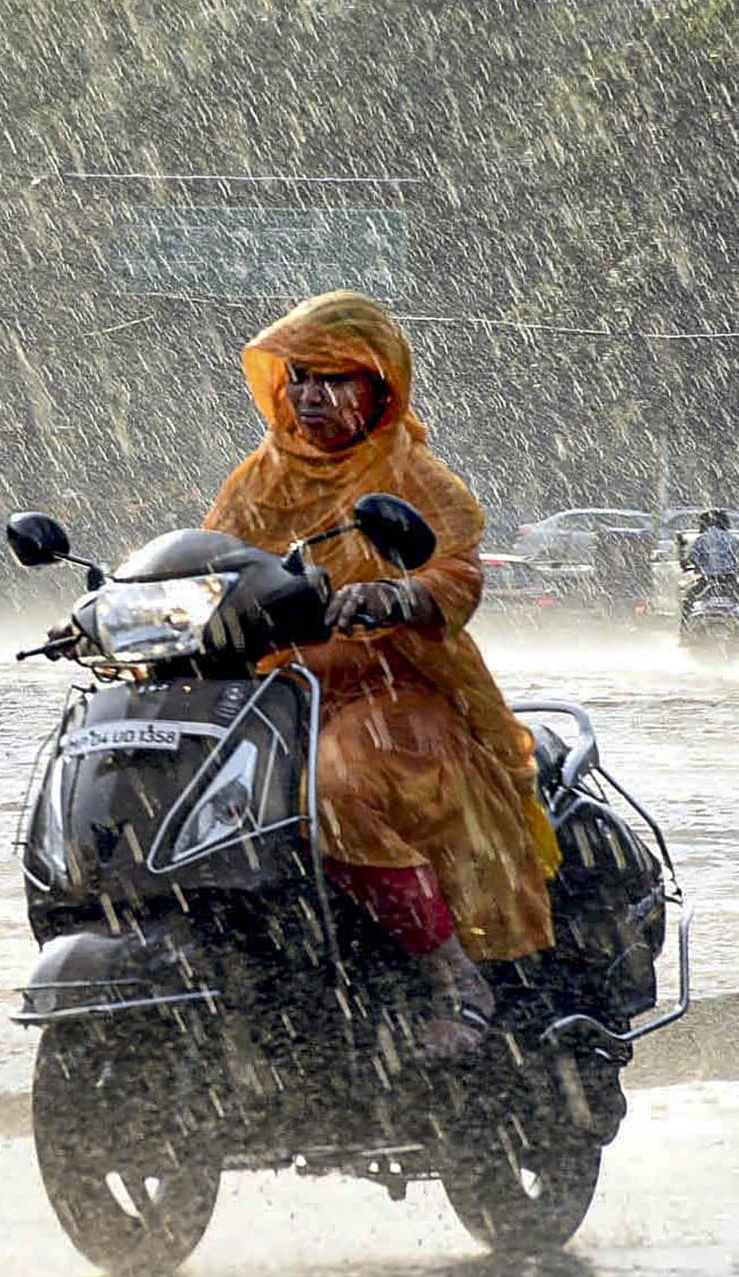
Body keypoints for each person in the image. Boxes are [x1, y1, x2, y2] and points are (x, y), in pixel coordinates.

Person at [204, 290, 560, 1058]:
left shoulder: (414, 478)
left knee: (330, 792)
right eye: (299, 376)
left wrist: (400, 593)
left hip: (396, 688)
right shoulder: (256, 481)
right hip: (276, 694)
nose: (312, 395)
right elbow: (209, 567)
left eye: (335, 379)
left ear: (381, 389)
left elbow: (458, 576)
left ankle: (453, 975)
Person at [685, 508, 739, 608]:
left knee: (688, 600)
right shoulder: (732, 539)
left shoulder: (701, 539)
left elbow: (693, 558)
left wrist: (694, 566)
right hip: (729, 579)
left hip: (707, 580)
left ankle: (684, 621)